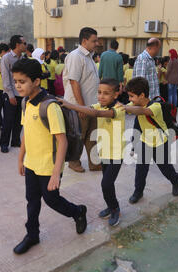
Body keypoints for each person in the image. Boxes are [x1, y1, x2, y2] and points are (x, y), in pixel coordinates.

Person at [12, 58, 87, 255]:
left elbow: (62, 141)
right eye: (16, 81)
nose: (18, 86)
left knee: (51, 200)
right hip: (31, 163)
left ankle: (78, 211)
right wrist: (21, 158)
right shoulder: (25, 103)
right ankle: (32, 235)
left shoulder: (49, 106)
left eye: (22, 81)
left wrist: (56, 173)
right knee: (32, 200)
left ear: (36, 81)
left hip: (48, 165)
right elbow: (26, 134)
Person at [57, 78, 124, 227]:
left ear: (116, 95)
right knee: (107, 184)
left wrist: (69, 104)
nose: (101, 96)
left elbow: (94, 112)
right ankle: (110, 205)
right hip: (104, 152)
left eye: (106, 93)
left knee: (106, 184)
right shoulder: (100, 105)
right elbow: (90, 108)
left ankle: (115, 209)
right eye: (99, 92)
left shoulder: (118, 109)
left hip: (116, 154)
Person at [121, 77, 178, 204]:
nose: (130, 99)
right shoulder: (134, 104)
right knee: (141, 169)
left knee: (165, 168)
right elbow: (129, 107)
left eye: (132, 96)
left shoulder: (156, 106)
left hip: (160, 142)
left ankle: (176, 181)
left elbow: (144, 111)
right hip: (144, 142)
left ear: (142, 95)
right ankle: (138, 191)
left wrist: (125, 108)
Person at [63, 27, 102, 172]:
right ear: (84, 41)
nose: (97, 43)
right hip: (79, 105)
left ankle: (94, 162)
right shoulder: (76, 56)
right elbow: (74, 82)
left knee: (92, 135)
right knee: (79, 135)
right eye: (94, 41)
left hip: (92, 106)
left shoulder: (89, 56)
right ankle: (73, 161)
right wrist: (81, 106)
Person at [0, 35, 27, 153]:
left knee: (19, 120)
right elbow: (5, 78)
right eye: (24, 43)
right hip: (10, 94)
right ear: (17, 44)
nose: (26, 45)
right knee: (8, 120)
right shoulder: (6, 58)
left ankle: (15, 140)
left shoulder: (23, 58)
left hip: (22, 94)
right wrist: (10, 95)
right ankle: (4, 143)